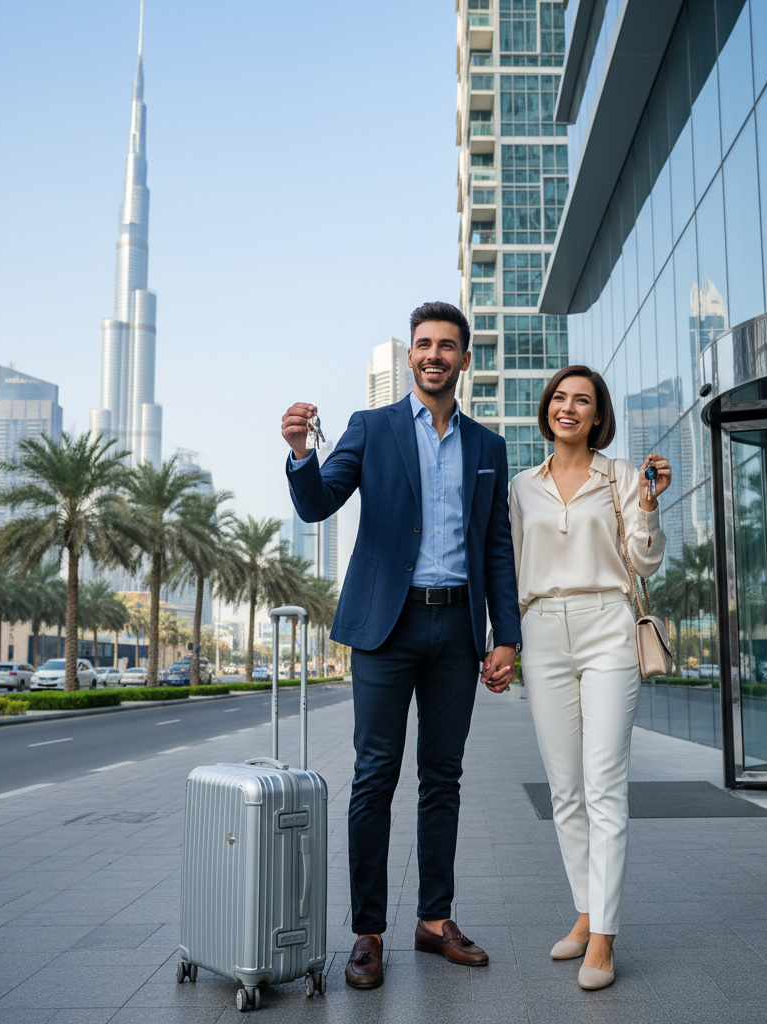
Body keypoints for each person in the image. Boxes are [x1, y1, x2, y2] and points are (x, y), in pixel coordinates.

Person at [282, 301, 522, 990]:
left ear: (464, 359)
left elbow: (497, 547)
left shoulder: (487, 447)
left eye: (448, 345)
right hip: (386, 627)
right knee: (374, 776)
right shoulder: (373, 428)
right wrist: (302, 455)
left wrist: (505, 635)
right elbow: (319, 502)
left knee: (442, 777)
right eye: (424, 344)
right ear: (412, 356)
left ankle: (435, 919)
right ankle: (368, 931)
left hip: (455, 628)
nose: (434, 355)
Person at [508, 364, 670, 991]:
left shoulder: (623, 478)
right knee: (564, 787)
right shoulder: (522, 486)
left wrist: (649, 509)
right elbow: (512, 561)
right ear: (547, 408)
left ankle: (604, 937)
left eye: (583, 400)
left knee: (604, 782)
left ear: (597, 416)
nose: (568, 407)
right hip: (542, 628)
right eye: (560, 398)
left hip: (608, 624)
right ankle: (584, 911)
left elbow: (645, 561)